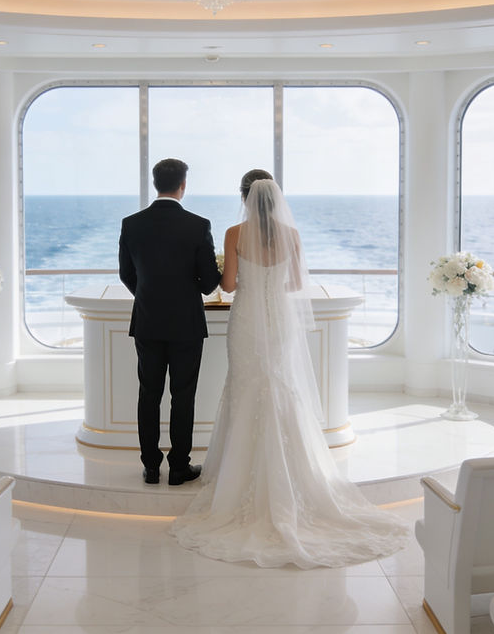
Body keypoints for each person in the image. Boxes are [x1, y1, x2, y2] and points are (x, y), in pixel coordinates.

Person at [171, 169, 407, 568]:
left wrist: (244, 278)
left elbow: (227, 286)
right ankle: (295, 474)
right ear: (276, 198)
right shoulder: (291, 235)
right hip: (278, 320)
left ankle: (239, 475)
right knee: (280, 386)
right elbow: (296, 284)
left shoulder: (233, 234)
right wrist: (271, 288)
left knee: (246, 386)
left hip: (246, 320)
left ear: (244, 197)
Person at [119, 158, 221, 486]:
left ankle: (150, 466)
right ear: (183, 185)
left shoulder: (132, 223)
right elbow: (208, 284)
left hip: (148, 321)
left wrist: (148, 295)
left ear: (155, 184)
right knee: (183, 395)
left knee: (148, 394)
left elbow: (126, 274)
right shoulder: (198, 225)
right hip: (186, 323)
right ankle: (179, 466)